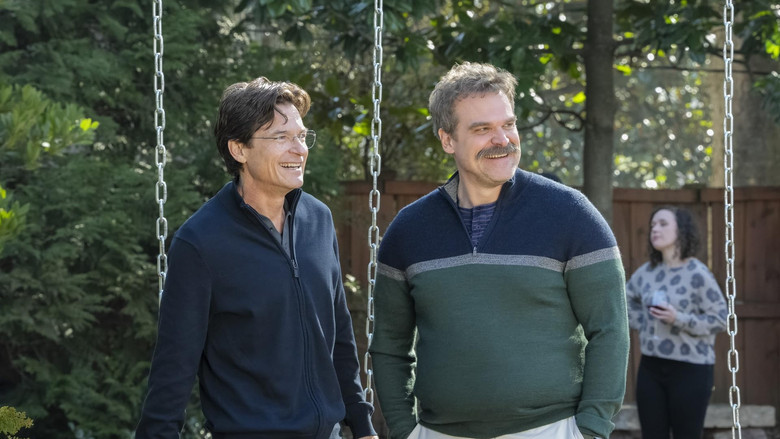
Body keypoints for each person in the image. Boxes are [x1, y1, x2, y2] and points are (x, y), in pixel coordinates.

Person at [369, 62, 629, 439]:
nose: (502, 139)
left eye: (508, 124)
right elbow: (389, 345)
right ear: (447, 140)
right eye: (482, 129)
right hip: (439, 433)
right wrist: (405, 430)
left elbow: (610, 329)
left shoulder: (570, 214)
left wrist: (590, 429)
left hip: (550, 430)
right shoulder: (409, 230)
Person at [136, 77, 377, 439]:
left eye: (302, 136)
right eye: (281, 137)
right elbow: (174, 368)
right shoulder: (200, 242)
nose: (299, 149)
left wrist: (362, 426)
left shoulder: (319, 220)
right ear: (239, 150)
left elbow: (338, 334)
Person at [626, 206, 728, 439]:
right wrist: (644, 322)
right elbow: (623, 301)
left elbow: (720, 319)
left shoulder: (698, 273)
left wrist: (678, 319)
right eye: (653, 225)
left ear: (681, 230)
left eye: (663, 224)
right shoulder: (646, 272)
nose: (655, 229)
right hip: (651, 367)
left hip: (691, 369)